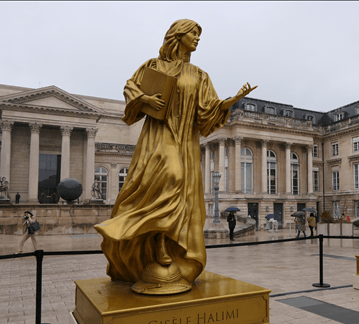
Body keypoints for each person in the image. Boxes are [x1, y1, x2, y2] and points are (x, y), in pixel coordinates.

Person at [95, 19, 257, 291]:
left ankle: (162, 244)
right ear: (177, 36)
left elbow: (207, 113)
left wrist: (231, 101)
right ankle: (147, 238)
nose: (197, 39)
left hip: (186, 141)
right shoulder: (153, 66)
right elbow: (131, 90)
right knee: (172, 177)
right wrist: (146, 100)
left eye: (198, 35)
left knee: (183, 193)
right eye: (193, 33)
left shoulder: (199, 75)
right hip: (159, 137)